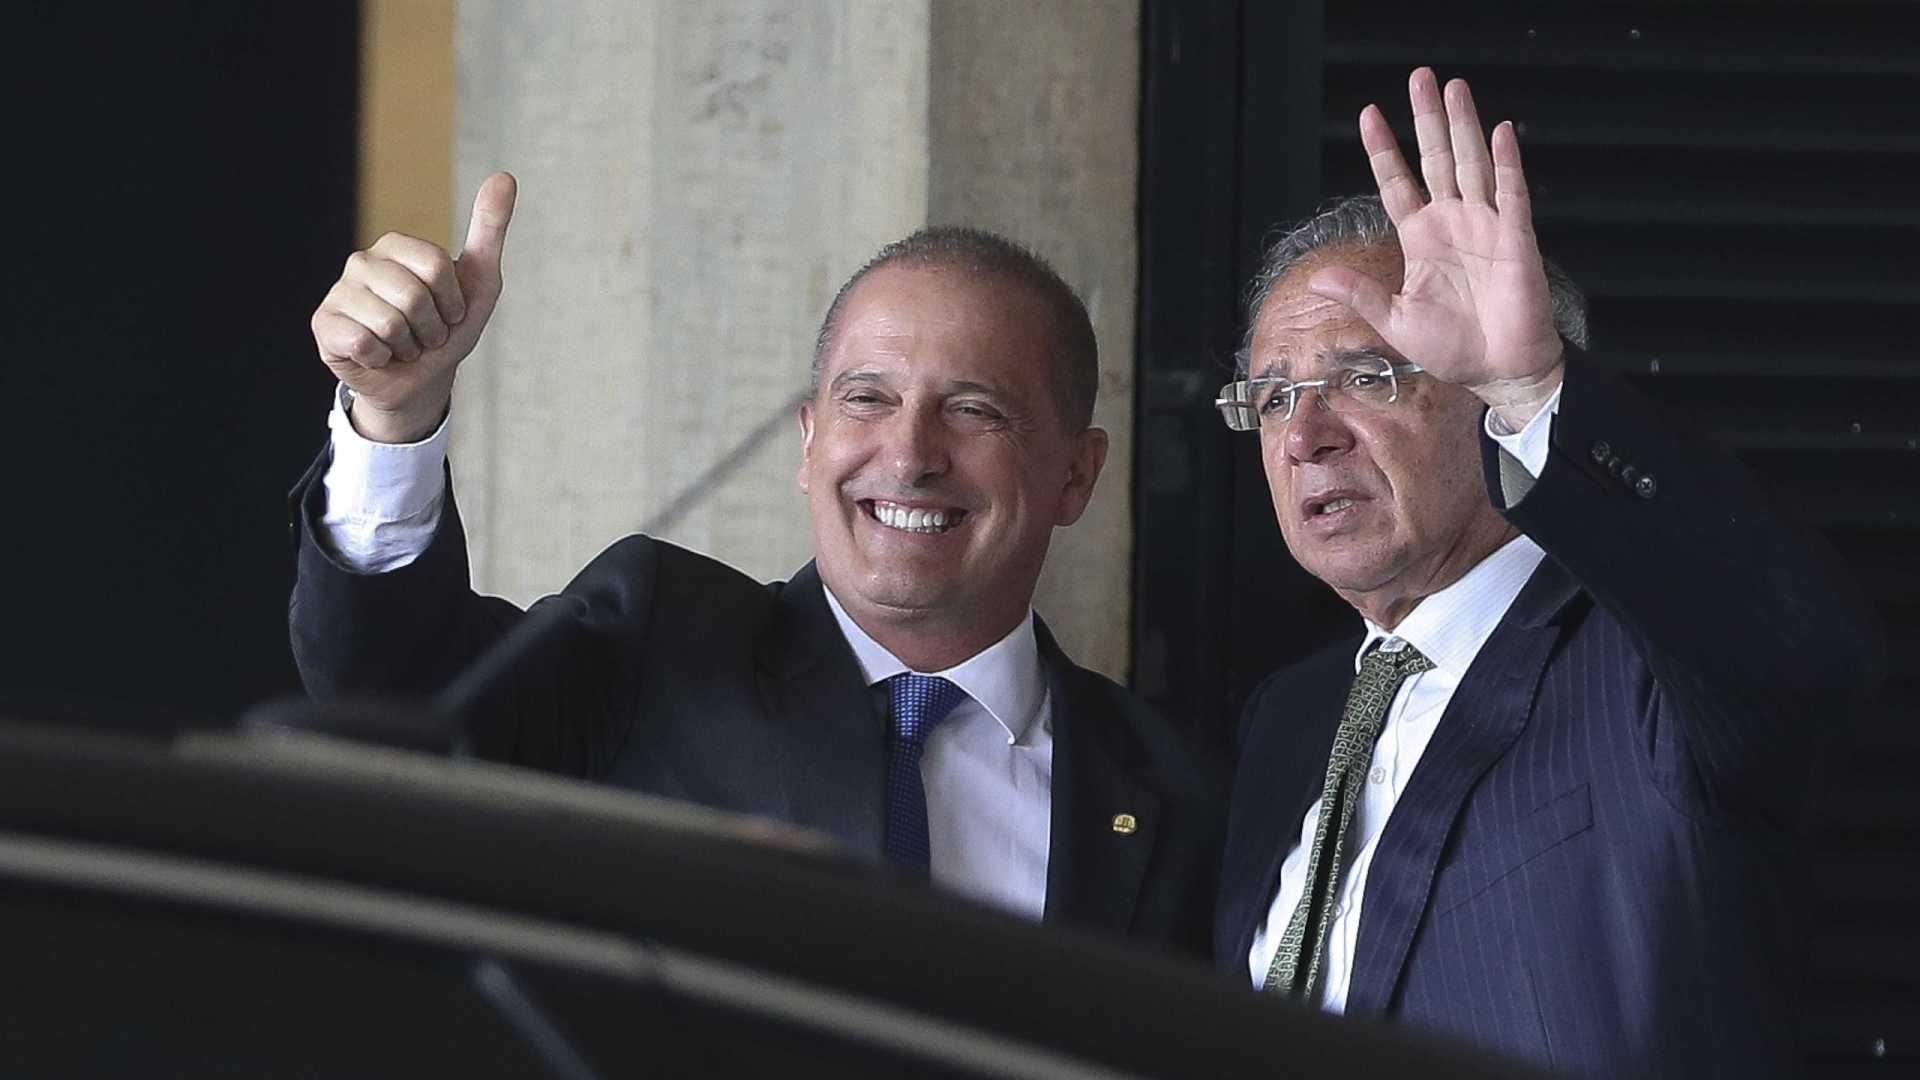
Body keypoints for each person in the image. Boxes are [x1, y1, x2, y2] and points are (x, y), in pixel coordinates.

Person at [291, 174, 1223, 953]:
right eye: (867, 399)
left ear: (1076, 474)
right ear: (809, 442)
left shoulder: (1178, 792)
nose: (909, 456)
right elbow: (395, 695)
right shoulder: (654, 646)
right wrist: (394, 417)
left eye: (973, 410)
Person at [1213, 69, 1882, 1075]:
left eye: (1367, 377)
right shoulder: (1291, 718)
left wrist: (1534, 387)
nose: (1305, 437)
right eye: (1272, 399)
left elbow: (1803, 653)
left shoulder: (1644, 666)